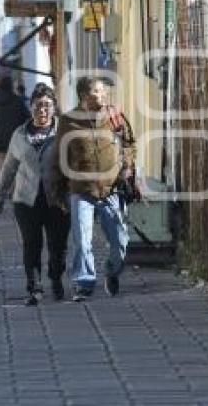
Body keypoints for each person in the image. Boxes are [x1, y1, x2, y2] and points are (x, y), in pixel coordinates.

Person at [46, 76, 136, 302]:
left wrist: (127, 165)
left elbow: (129, 142)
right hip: (81, 191)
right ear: (85, 96)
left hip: (111, 190)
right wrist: (56, 193)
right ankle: (84, 284)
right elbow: (58, 158)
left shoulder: (114, 116)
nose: (104, 93)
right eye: (98, 91)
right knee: (82, 241)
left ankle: (112, 271)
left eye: (104, 90)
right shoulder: (68, 122)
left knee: (120, 243)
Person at [0, 84, 70, 305]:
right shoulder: (19, 135)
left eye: (47, 106)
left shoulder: (64, 133)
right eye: (38, 106)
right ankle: (33, 288)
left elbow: (77, 163)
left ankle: (55, 279)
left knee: (58, 245)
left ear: (54, 108)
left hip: (57, 199)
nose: (42, 110)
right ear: (31, 108)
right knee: (31, 244)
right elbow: (8, 168)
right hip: (26, 200)